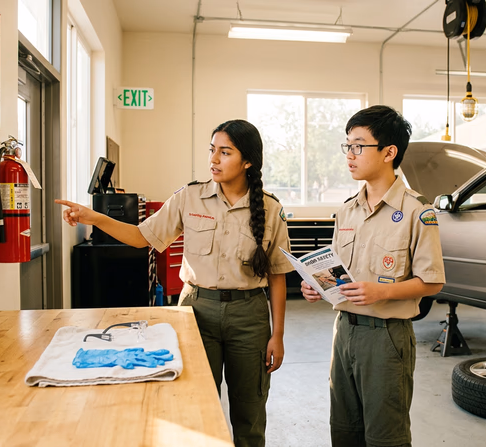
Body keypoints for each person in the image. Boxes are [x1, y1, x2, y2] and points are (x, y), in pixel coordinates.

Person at [56, 119, 293, 447]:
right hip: (196, 313)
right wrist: (93, 217)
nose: (214, 159)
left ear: (248, 161)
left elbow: (278, 275)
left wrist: (277, 335)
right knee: (194, 405)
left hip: (249, 318)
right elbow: (142, 237)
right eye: (212, 150)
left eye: (225, 152)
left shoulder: (271, 209)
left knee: (250, 413)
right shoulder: (190, 198)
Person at [300, 105, 445, 447]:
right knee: (345, 430)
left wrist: (383, 293)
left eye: (359, 145)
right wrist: (317, 286)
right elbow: (340, 273)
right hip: (344, 334)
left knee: (385, 436)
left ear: (389, 152)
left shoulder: (417, 211)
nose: (350, 154)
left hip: (386, 339)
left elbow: (433, 281)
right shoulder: (347, 210)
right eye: (347, 145)